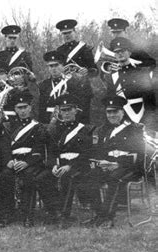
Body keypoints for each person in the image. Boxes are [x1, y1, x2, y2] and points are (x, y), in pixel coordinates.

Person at [83, 95, 145, 228]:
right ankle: (99, 214)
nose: (111, 115)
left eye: (115, 112)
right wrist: (102, 162)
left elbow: (139, 155)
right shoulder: (104, 130)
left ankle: (108, 218)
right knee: (89, 177)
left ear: (122, 112)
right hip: (108, 166)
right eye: (108, 112)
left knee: (114, 178)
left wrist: (118, 164)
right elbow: (99, 151)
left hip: (130, 168)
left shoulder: (134, 129)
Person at [1, 92, 53, 227]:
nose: (22, 111)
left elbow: (39, 148)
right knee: (5, 176)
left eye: (25, 107)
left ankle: (28, 215)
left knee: (29, 177)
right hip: (13, 161)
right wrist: (9, 161)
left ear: (30, 108)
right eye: (19, 108)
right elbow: (5, 147)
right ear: (15, 110)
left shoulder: (38, 127)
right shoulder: (8, 126)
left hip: (30, 162)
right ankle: (8, 213)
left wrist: (27, 162)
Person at [47, 94, 94, 227]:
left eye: (69, 110)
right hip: (60, 164)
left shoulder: (85, 130)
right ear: (59, 112)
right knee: (44, 176)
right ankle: (52, 212)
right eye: (63, 110)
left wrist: (70, 166)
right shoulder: (56, 129)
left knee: (68, 177)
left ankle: (63, 215)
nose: (66, 113)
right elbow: (52, 152)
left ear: (75, 110)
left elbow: (87, 153)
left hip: (79, 166)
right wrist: (54, 165)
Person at [100, 37, 156, 133]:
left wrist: (149, 122)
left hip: (140, 115)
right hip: (121, 117)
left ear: (129, 53)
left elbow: (149, 101)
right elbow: (110, 99)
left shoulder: (140, 72)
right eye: (117, 52)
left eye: (123, 51)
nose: (120, 54)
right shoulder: (112, 76)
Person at [38, 51, 91, 124]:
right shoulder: (44, 85)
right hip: (49, 121)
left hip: (68, 120)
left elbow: (82, 103)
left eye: (56, 65)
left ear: (62, 66)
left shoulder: (73, 82)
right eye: (51, 66)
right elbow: (41, 108)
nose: (53, 68)